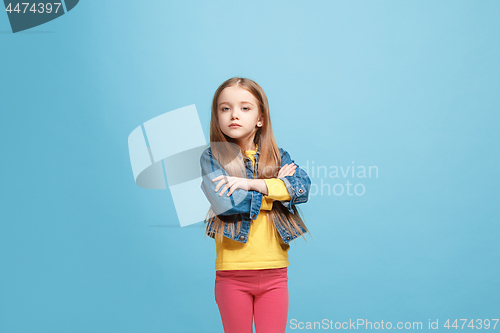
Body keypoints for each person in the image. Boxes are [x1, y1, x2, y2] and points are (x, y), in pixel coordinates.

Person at [199, 77, 312, 333]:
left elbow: (301, 189)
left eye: (245, 108)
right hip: (232, 274)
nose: (234, 115)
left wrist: (250, 184)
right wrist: (275, 188)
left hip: (274, 273)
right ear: (217, 116)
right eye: (225, 108)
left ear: (260, 118)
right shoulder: (212, 158)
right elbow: (227, 204)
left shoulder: (279, 156)